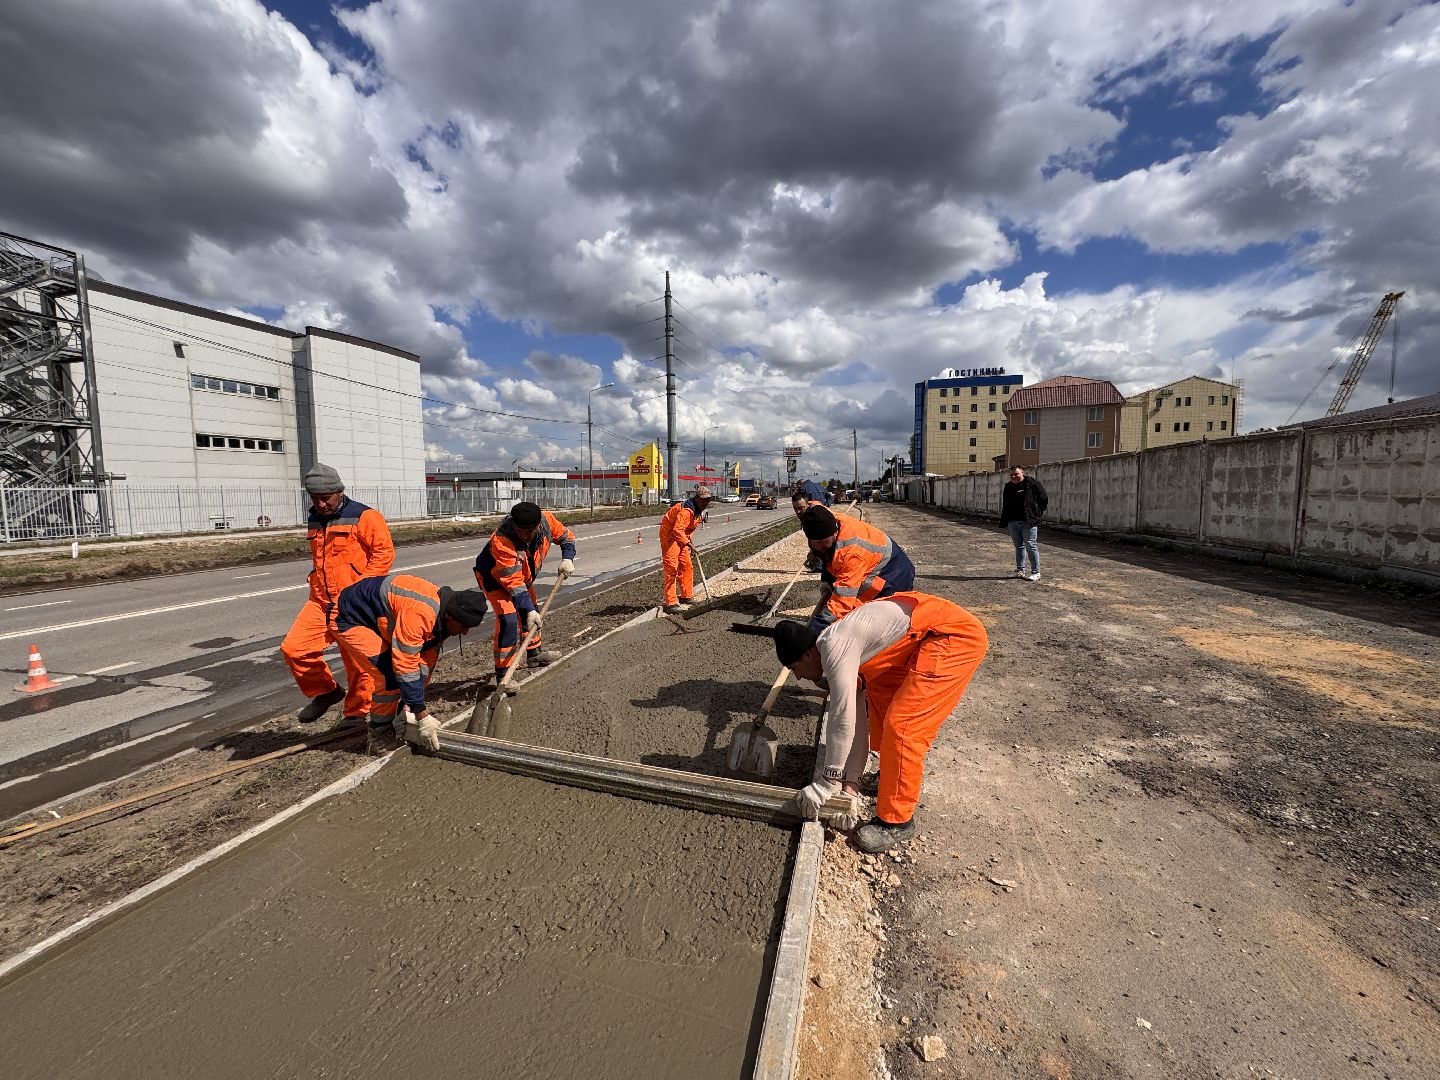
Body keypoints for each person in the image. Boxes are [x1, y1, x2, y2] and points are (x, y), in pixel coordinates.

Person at [755, 592, 988, 852]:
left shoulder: (835, 647)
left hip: (950, 638)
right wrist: (849, 787)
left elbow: (841, 720)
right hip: (919, 639)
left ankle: (897, 822)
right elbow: (856, 724)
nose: (797, 678)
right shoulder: (840, 650)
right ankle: (891, 777)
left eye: (794, 670)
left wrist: (826, 783)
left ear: (807, 656)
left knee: (903, 728)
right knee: (879, 703)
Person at [281, 463, 394, 724]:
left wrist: (361, 592)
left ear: (339, 491)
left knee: (357, 662)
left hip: (352, 604)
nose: (320, 504)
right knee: (294, 649)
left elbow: (383, 554)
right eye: (314, 499)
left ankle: (356, 714)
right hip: (320, 601)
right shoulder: (315, 519)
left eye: (325, 498)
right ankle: (326, 692)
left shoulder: (365, 517)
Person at [330, 574, 490, 752]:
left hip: (380, 617)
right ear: (451, 618)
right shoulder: (422, 614)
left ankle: (397, 716)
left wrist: (409, 707)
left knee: (417, 671)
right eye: (464, 627)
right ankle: (379, 735)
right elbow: (404, 665)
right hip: (348, 616)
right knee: (387, 676)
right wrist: (422, 714)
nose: (465, 632)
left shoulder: (443, 618)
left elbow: (424, 666)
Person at [474, 501, 576, 686]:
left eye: (529, 532)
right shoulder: (502, 540)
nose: (525, 536)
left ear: (538, 525)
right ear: (514, 524)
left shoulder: (547, 521)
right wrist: (527, 609)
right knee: (509, 618)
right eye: (521, 531)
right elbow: (514, 584)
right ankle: (503, 673)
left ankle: (534, 654)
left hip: (522, 577)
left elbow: (567, 538)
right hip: (494, 579)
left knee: (531, 611)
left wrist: (567, 558)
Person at [799, 505, 915, 631]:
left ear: (835, 532)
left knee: (874, 626)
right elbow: (828, 559)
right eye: (813, 541)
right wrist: (827, 581)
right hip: (872, 561)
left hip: (893, 575)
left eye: (821, 542)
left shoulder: (851, 553)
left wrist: (815, 629)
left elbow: (843, 601)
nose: (817, 546)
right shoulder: (825, 521)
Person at [658, 487, 712, 615]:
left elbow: (687, 530)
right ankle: (670, 603)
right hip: (670, 536)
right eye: (703, 500)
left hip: (682, 537)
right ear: (697, 498)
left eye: (708, 500)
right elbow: (677, 530)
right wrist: (689, 544)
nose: (706, 502)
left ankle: (686, 596)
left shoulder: (699, 512)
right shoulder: (687, 510)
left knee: (686, 565)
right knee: (671, 568)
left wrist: (689, 543)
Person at [999, 466, 1048, 581]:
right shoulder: (1008, 487)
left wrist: (1037, 512)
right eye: (1011, 475)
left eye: (1016, 474)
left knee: (1031, 545)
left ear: (1022, 473)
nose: (1014, 476)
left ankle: (1036, 572)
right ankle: (1020, 570)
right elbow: (1006, 504)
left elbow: (1043, 498)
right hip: (1013, 521)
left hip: (1028, 521)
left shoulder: (1032, 484)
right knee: (1019, 546)